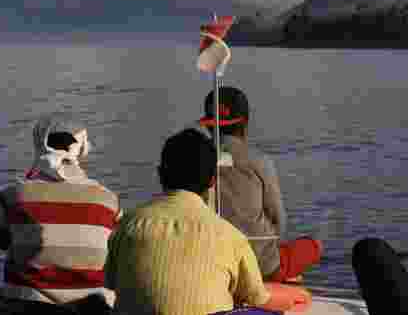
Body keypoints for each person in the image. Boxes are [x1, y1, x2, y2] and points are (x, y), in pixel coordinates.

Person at [104, 128, 305, 315]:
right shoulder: (230, 236)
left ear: (160, 174)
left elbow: (111, 283)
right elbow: (260, 300)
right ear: (212, 181)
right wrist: (298, 296)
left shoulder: (128, 225)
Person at [0, 114, 122, 310]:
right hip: (95, 303)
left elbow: (1, 241)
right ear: (81, 149)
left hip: (28, 302)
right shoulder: (109, 200)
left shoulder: (12, 195)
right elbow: (118, 251)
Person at [198, 85, 323, 283]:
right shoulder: (259, 160)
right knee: (313, 246)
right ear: (245, 124)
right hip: (262, 266)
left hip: (212, 263)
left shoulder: (196, 160)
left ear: (207, 125)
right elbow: (278, 220)